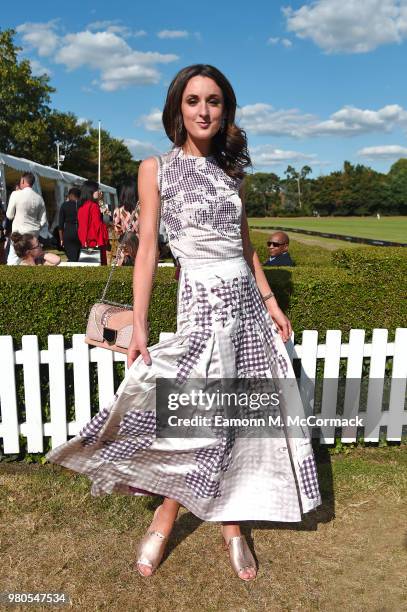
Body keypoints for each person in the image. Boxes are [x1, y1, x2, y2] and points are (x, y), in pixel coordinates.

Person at [46, 64, 321, 582]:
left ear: (225, 110)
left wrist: (270, 301)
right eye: (194, 100)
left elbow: (245, 246)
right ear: (178, 108)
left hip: (244, 305)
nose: (204, 110)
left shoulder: (232, 173)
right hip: (200, 303)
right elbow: (148, 248)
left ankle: (230, 523)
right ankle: (167, 515)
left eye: (214, 101)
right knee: (194, 414)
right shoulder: (156, 168)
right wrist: (143, 322)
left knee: (236, 416)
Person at [6, 172, 47, 265]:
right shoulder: (39, 198)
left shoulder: (15, 194)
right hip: (33, 235)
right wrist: (36, 228)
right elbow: (44, 220)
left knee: (13, 260)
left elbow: (9, 215)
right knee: (31, 260)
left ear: (23, 181)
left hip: (19, 233)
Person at [77, 180, 109, 265]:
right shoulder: (94, 206)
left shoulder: (81, 207)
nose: (99, 192)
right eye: (97, 190)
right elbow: (98, 226)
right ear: (90, 191)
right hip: (95, 241)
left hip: (85, 241)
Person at [58, 187, 82, 262]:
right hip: (80, 232)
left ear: (70, 195)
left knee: (71, 257)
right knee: (77, 257)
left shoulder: (64, 205)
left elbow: (60, 224)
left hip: (68, 232)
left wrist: (61, 238)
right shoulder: (82, 205)